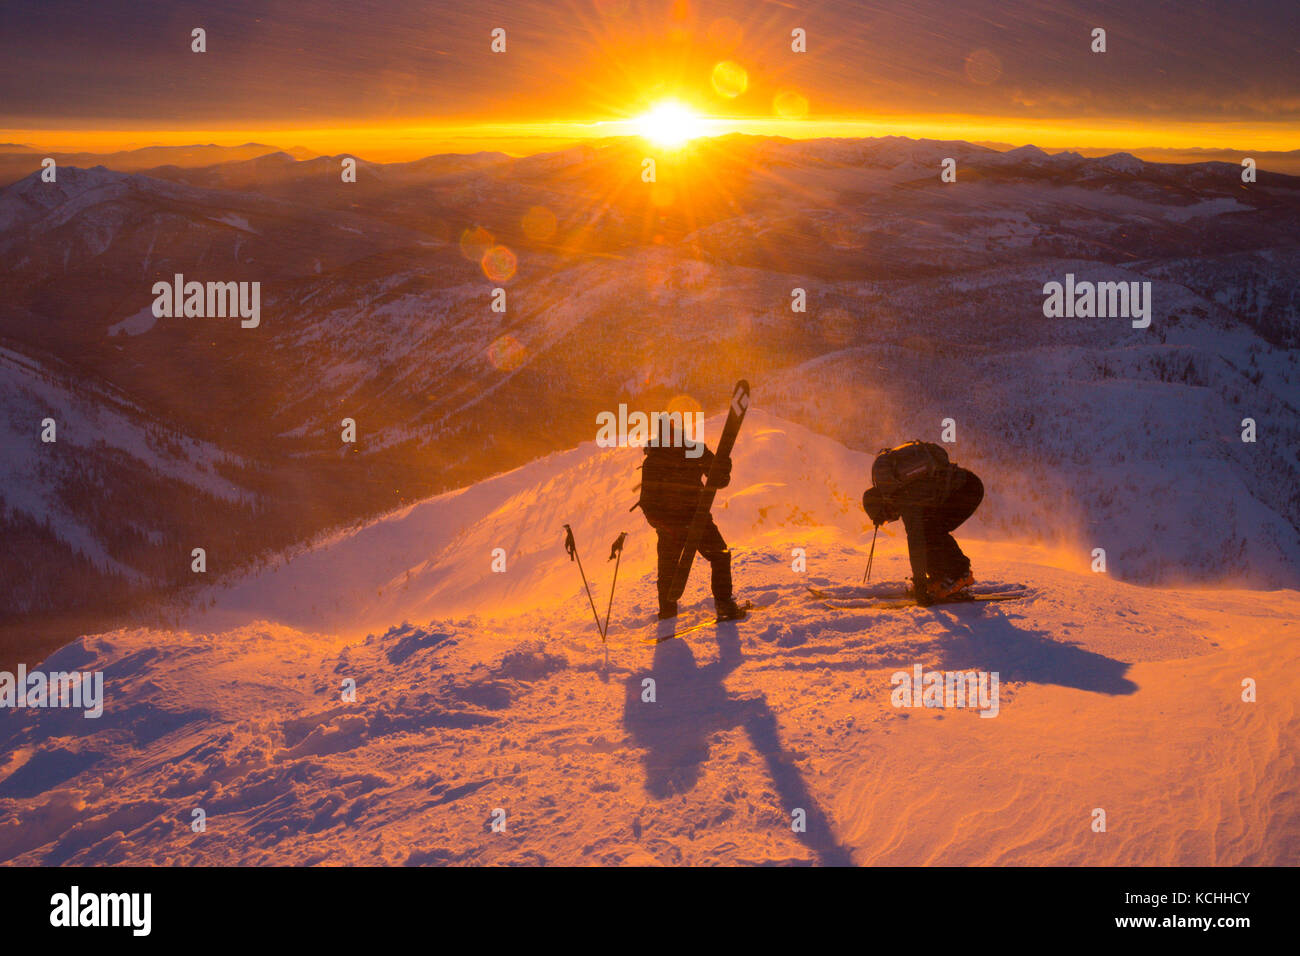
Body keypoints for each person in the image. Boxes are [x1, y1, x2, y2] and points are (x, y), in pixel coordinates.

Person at [633, 418, 745, 621]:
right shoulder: (656, 461)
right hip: (678, 523)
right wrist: (666, 527)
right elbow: (649, 504)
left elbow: (719, 480)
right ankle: (669, 614)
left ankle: (723, 605)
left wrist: (723, 465)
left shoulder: (693, 451)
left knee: (719, 556)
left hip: (697, 519)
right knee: (669, 572)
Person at [861, 441, 984, 606]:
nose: (891, 519)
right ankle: (940, 577)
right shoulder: (897, 486)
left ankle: (960, 574)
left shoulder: (905, 497)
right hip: (965, 486)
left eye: (886, 518)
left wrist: (919, 584)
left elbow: (916, 542)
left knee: (931, 530)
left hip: (967, 490)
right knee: (930, 528)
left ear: (884, 506)